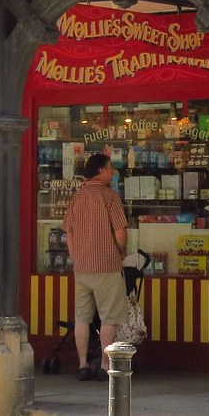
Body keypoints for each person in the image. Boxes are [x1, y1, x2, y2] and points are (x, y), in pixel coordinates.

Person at [62, 152, 129, 381]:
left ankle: (82, 365)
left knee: (82, 318)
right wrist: (120, 253)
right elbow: (120, 232)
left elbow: (68, 232)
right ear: (101, 170)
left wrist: (76, 256)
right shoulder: (110, 197)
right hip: (107, 266)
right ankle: (104, 364)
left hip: (82, 268)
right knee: (109, 318)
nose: (113, 171)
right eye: (110, 167)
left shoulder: (76, 197)